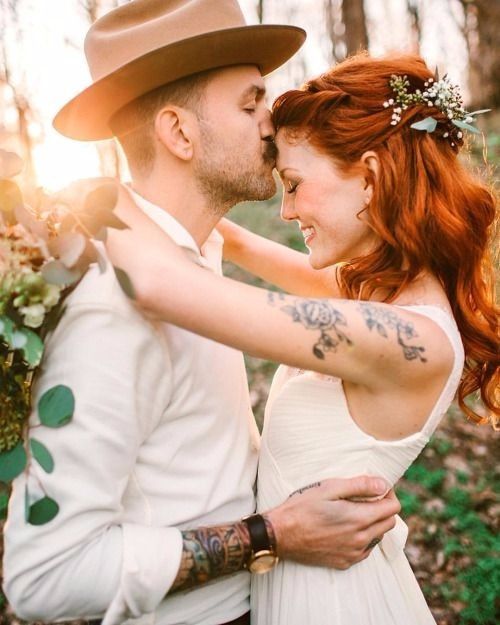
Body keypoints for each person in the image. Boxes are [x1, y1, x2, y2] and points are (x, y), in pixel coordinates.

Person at [3, 3, 402, 625]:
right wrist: (271, 534)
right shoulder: (111, 307)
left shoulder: (198, 249)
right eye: (249, 105)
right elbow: (43, 576)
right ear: (180, 134)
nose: (272, 122)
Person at [103, 52, 499, 625]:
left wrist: (95, 200)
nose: (285, 210)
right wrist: (187, 200)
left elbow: (160, 285)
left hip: (331, 604)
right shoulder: (384, 292)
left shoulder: (407, 338)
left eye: (293, 185)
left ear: (370, 177)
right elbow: (245, 246)